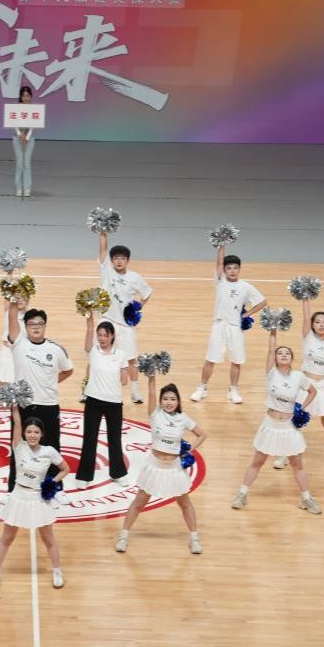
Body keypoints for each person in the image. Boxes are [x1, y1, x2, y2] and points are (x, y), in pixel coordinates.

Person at [230, 328, 323, 515]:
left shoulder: (298, 376)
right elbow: (270, 349)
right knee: (257, 461)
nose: (283, 355)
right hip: (270, 424)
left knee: (297, 464)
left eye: (287, 353)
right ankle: (242, 494)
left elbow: (313, 391)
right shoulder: (271, 373)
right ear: (275, 358)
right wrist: (273, 329)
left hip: (289, 426)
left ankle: (306, 498)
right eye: (280, 353)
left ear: (292, 358)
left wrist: (302, 408)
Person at [115, 374, 206, 554]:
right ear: (160, 401)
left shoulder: (183, 418)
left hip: (174, 468)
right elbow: (151, 392)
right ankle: (123, 536)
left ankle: (194, 538)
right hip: (154, 466)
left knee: (185, 504)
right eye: (165, 399)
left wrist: (189, 450)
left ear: (178, 401)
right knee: (138, 503)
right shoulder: (155, 414)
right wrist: (152, 375)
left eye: (173, 399)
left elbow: (202, 434)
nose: (169, 402)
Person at [272, 299, 324, 472]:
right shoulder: (308, 338)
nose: (321, 325)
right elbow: (305, 317)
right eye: (317, 322)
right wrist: (305, 297)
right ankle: (284, 453)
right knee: (294, 420)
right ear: (312, 325)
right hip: (305, 386)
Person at [0, 414, 69, 590]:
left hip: (38, 498)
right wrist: (15, 405)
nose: (32, 435)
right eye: (29, 431)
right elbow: (17, 422)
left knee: (48, 538)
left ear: (42, 434)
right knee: (7, 537)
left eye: (36, 432)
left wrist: (52, 483)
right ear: (24, 433)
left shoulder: (49, 451)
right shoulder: (19, 447)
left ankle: (57, 571)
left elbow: (65, 469)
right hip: (18, 496)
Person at [6, 303, 73, 492]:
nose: (36, 327)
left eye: (40, 324)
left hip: (48, 404)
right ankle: (13, 489)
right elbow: (12, 316)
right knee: (18, 448)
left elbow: (68, 370)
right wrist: (13, 296)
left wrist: (50, 382)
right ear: (25, 326)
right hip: (23, 405)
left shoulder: (56, 349)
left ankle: (54, 489)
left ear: (45, 326)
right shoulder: (18, 343)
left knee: (52, 446)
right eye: (31, 324)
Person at [190, 249, 266, 404]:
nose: (232, 271)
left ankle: (233, 390)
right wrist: (222, 244)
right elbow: (218, 262)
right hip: (219, 325)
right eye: (229, 268)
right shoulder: (220, 282)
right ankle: (202, 388)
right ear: (224, 270)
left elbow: (262, 302)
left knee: (236, 360)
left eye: (235, 268)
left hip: (235, 327)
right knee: (210, 359)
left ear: (239, 269)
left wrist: (247, 314)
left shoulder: (246, 286)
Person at [98, 231, 153, 404]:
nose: (119, 261)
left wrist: (137, 308)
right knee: (100, 355)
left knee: (131, 359)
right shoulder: (107, 271)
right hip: (107, 320)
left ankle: (135, 391)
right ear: (111, 260)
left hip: (126, 325)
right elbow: (103, 249)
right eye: (116, 258)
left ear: (128, 260)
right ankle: (92, 389)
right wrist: (103, 232)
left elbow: (147, 293)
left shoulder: (134, 278)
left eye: (122, 258)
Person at [76, 312, 129, 485]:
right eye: (99, 335)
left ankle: (118, 473)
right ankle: (84, 476)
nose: (102, 338)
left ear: (112, 336)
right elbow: (89, 332)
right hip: (93, 401)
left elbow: (124, 381)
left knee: (115, 439)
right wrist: (88, 318)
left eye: (105, 335)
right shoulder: (93, 351)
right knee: (89, 438)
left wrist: (125, 372)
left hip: (114, 403)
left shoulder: (120, 354)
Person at [0, 294, 28, 434]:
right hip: (7, 353)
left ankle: (22, 423)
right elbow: (6, 292)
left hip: (22, 355)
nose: (20, 300)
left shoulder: (31, 316)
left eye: (23, 297)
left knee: (21, 389)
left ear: (28, 299)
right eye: (17, 297)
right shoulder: (9, 311)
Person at [12, 85, 36, 197]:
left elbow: (33, 125)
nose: (26, 98)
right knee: (19, 163)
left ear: (31, 97)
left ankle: (27, 188)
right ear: (21, 97)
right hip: (17, 138)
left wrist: (27, 137)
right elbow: (13, 123)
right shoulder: (16, 108)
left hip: (29, 139)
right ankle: (18, 187)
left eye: (28, 96)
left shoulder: (34, 109)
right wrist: (19, 134)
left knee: (27, 163)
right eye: (23, 96)